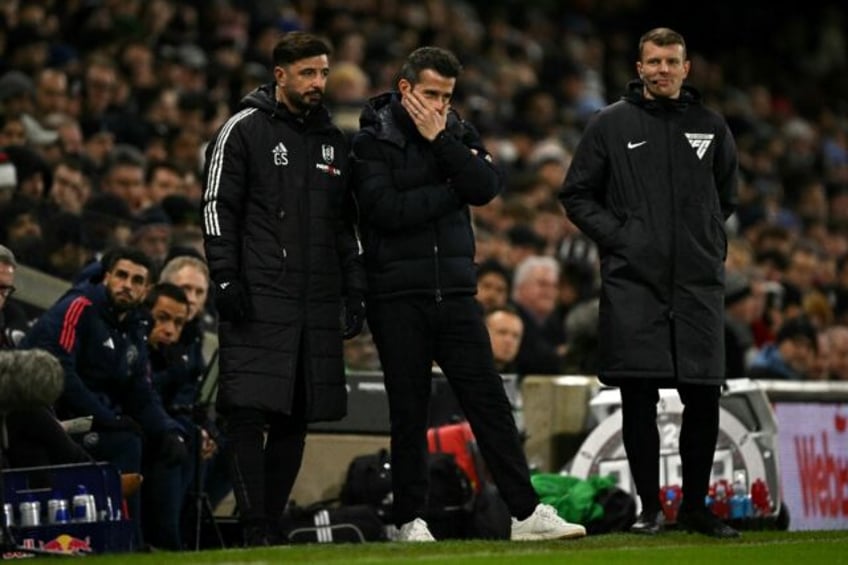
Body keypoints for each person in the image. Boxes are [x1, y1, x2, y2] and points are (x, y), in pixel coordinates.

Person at [351, 45, 585, 542]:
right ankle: (408, 519)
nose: (440, 104)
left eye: (448, 95)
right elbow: (385, 210)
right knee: (409, 411)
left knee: (490, 404)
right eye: (431, 93)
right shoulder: (373, 139)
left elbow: (486, 185)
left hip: (455, 292)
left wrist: (442, 146)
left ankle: (525, 514)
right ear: (406, 88)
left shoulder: (454, 131)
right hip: (397, 296)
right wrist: (451, 186)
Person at [559, 28, 740, 538]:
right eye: (653, 61)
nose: (662, 69)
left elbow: (725, 197)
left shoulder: (711, 125)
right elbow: (576, 194)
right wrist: (624, 239)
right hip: (633, 282)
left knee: (702, 395)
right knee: (638, 394)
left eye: (672, 61)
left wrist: (703, 240)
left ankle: (697, 508)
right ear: (639, 68)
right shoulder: (610, 125)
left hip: (698, 285)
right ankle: (649, 508)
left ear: (687, 68)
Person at [200, 31, 366, 547]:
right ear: (280, 75)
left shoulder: (332, 142)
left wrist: (353, 291)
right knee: (248, 410)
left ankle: (266, 526)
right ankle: (252, 527)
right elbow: (215, 206)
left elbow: (346, 226)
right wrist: (224, 276)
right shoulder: (242, 130)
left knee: (298, 414)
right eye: (308, 74)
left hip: (314, 299)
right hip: (257, 293)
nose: (318, 83)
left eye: (322, 72)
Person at [20, 246, 187, 543]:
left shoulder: (135, 325)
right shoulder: (78, 307)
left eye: (137, 280)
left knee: (175, 443)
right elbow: (61, 374)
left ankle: (170, 543)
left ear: (146, 289)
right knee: (126, 442)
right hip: (50, 421)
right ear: (107, 277)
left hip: (91, 419)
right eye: (121, 275)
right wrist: (108, 419)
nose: (127, 285)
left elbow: (142, 391)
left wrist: (169, 430)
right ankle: (126, 541)